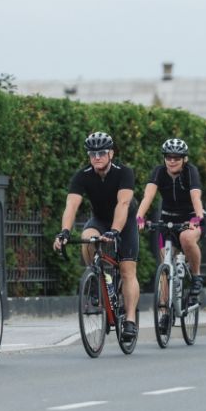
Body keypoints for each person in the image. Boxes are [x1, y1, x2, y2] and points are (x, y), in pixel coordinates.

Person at [53, 132, 140, 341]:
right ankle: (96, 280)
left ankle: (130, 320)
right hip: (100, 219)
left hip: (124, 221)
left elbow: (123, 203)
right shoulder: (82, 175)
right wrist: (64, 231)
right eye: (93, 154)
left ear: (111, 153)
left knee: (127, 270)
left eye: (101, 153)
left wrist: (115, 231)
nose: (97, 157)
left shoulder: (124, 173)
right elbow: (71, 205)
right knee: (87, 238)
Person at [136, 138, 206, 298]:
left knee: (186, 238)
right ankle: (163, 309)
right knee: (165, 265)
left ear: (184, 159)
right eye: (168, 157)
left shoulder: (190, 171)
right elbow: (148, 196)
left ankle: (196, 277)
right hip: (167, 221)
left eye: (177, 157)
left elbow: (196, 197)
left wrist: (198, 217)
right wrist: (139, 217)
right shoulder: (159, 171)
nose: (172, 161)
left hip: (190, 219)